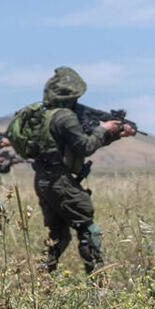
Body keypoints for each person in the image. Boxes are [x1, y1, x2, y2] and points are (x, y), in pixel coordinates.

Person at [30, 67, 135, 274]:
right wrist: (104, 130)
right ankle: (98, 284)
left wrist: (112, 134)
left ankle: (41, 277)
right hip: (61, 181)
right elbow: (85, 146)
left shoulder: (45, 116)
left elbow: (78, 143)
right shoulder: (66, 117)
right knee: (88, 230)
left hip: (43, 179)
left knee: (59, 233)